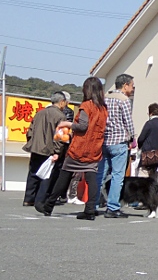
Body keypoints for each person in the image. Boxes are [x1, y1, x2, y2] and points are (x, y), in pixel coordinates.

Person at [39, 76, 108, 219]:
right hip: (95, 147)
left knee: (64, 175)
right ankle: (90, 210)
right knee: (92, 179)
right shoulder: (103, 108)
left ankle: (49, 205)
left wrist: (67, 124)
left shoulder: (86, 106)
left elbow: (82, 126)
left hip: (80, 147)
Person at [95, 73, 135, 218]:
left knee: (100, 174)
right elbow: (128, 122)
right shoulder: (124, 100)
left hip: (104, 141)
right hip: (119, 141)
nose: (132, 89)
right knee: (117, 176)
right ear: (125, 85)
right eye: (132, 86)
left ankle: (93, 204)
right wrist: (132, 137)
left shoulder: (105, 98)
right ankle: (112, 207)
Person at [21, 92, 70, 207]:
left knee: (33, 173)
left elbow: (30, 131)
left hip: (36, 147)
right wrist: (57, 151)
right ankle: (41, 200)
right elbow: (60, 137)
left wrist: (32, 143)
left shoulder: (40, 113)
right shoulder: (61, 117)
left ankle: (28, 198)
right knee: (47, 175)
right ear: (61, 102)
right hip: (50, 150)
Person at [136, 102, 158, 182]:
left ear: (150, 113)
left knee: (143, 179)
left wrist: (140, 147)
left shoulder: (149, 123)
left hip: (147, 156)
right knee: (154, 181)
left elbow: (141, 139)